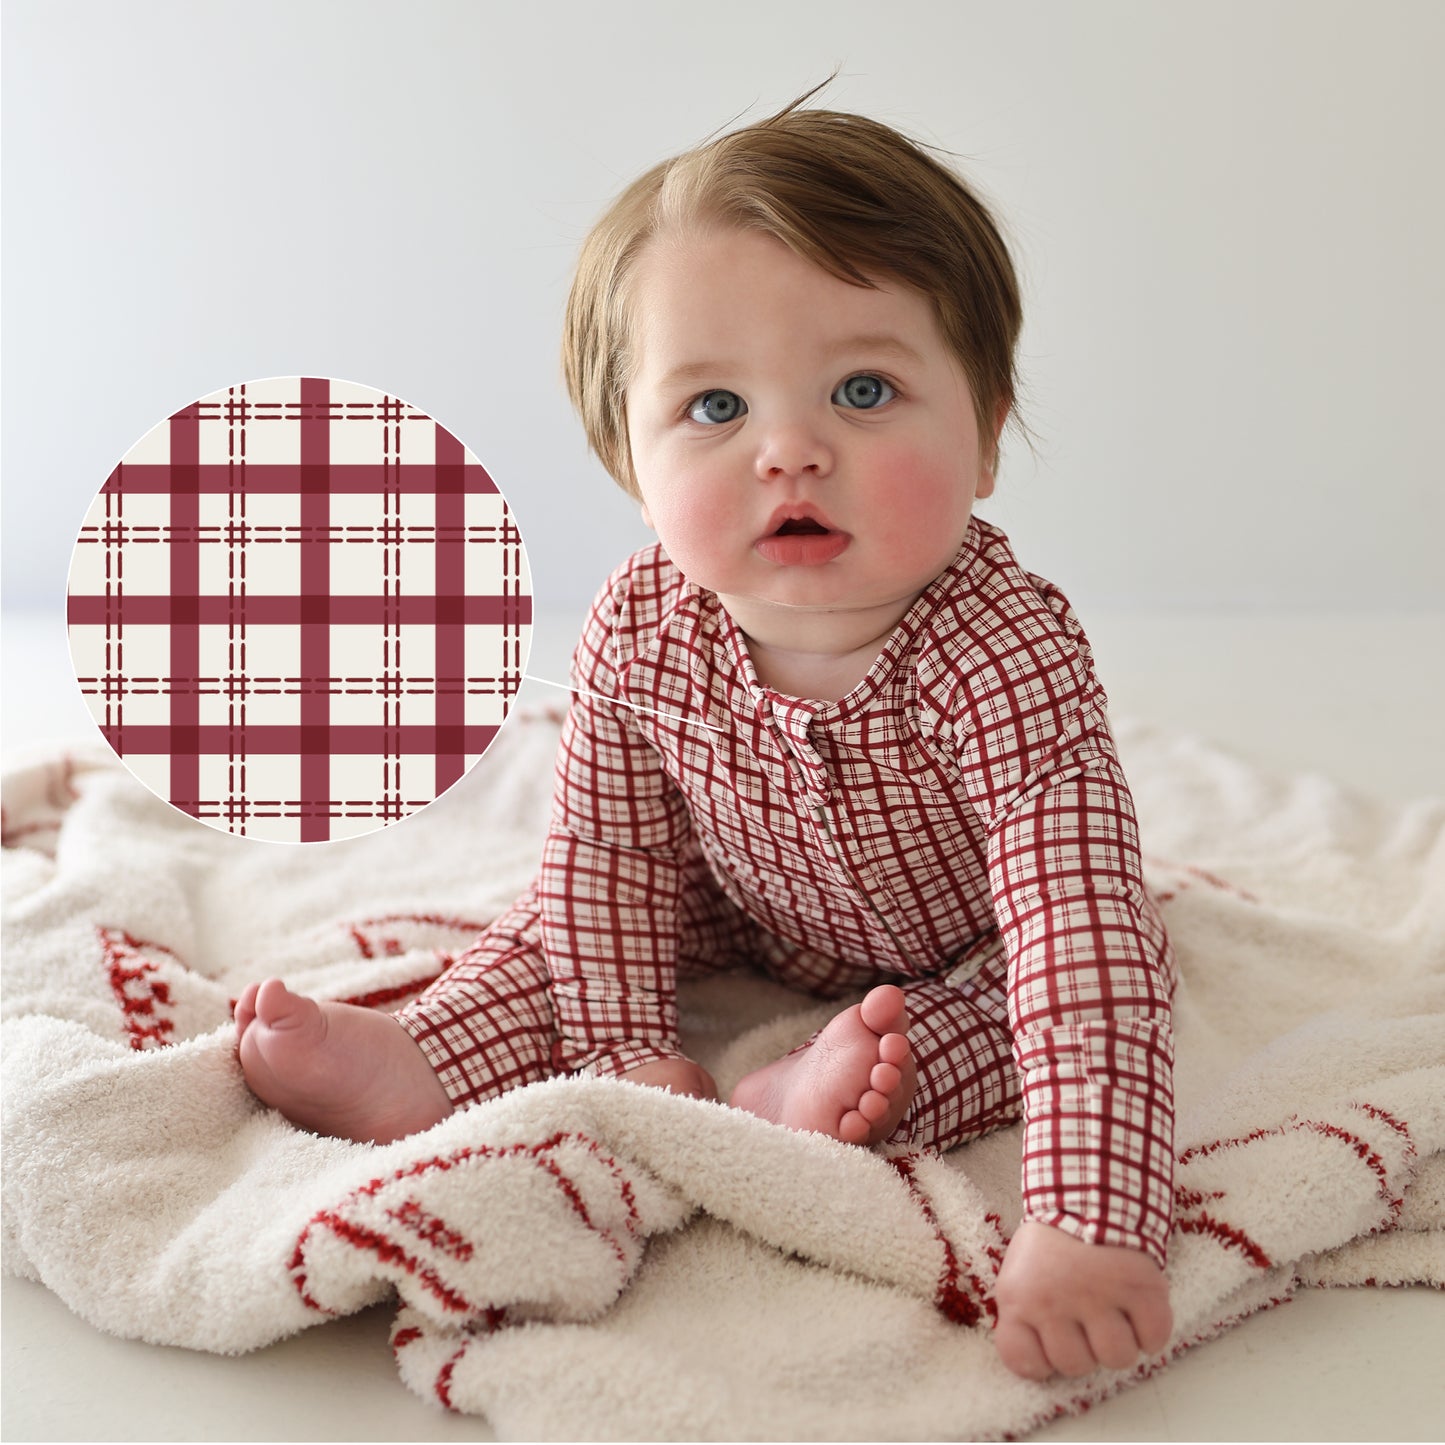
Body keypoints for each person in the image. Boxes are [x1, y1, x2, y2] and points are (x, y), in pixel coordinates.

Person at [236, 96, 1177, 1381]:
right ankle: (424, 1054)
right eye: (714, 406)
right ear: (628, 459)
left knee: (1052, 1002)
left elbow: (1075, 938)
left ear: (987, 432)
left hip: (968, 937)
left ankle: (807, 1097)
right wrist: (627, 1052)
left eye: (863, 389)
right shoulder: (640, 624)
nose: (790, 449)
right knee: (554, 930)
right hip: (739, 898)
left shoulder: (1001, 652)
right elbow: (607, 861)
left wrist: (1089, 1224)